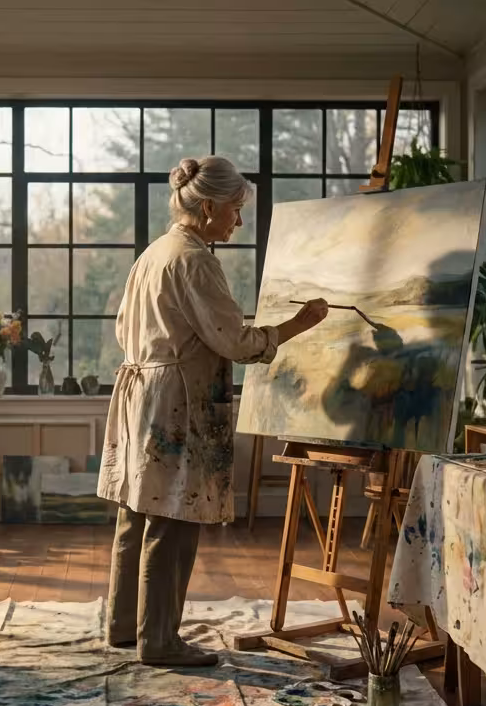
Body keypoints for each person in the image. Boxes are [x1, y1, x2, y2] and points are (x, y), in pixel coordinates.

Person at [96, 155, 329, 666]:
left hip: (144, 390)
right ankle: (158, 641)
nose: (238, 221)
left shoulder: (155, 252)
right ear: (206, 207)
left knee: (138, 510)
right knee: (173, 516)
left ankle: (123, 625)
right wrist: (298, 324)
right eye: (234, 209)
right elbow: (236, 342)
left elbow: (121, 331)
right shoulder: (196, 259)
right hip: (176, 399)